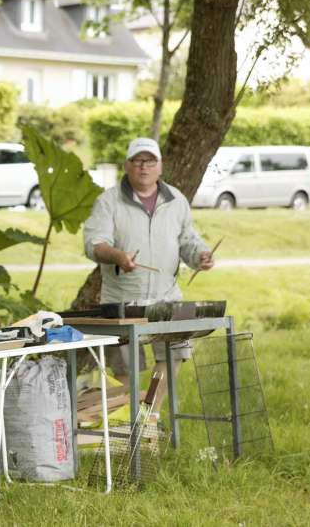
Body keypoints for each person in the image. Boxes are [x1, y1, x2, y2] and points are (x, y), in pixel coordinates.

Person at [82, 137, 214, 416]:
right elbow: (94, 243)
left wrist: (200, 255)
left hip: (167, 298)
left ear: (160, 167)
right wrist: (118, 256)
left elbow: (188, 239)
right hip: (122, 300)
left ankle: (149, 415)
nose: (144, 167)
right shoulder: (108, 201)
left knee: (173, 355)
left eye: (150, 161)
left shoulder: (176, 200)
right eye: (138, 161)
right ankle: (126, 419)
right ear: (127, 166)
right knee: (125, 368)